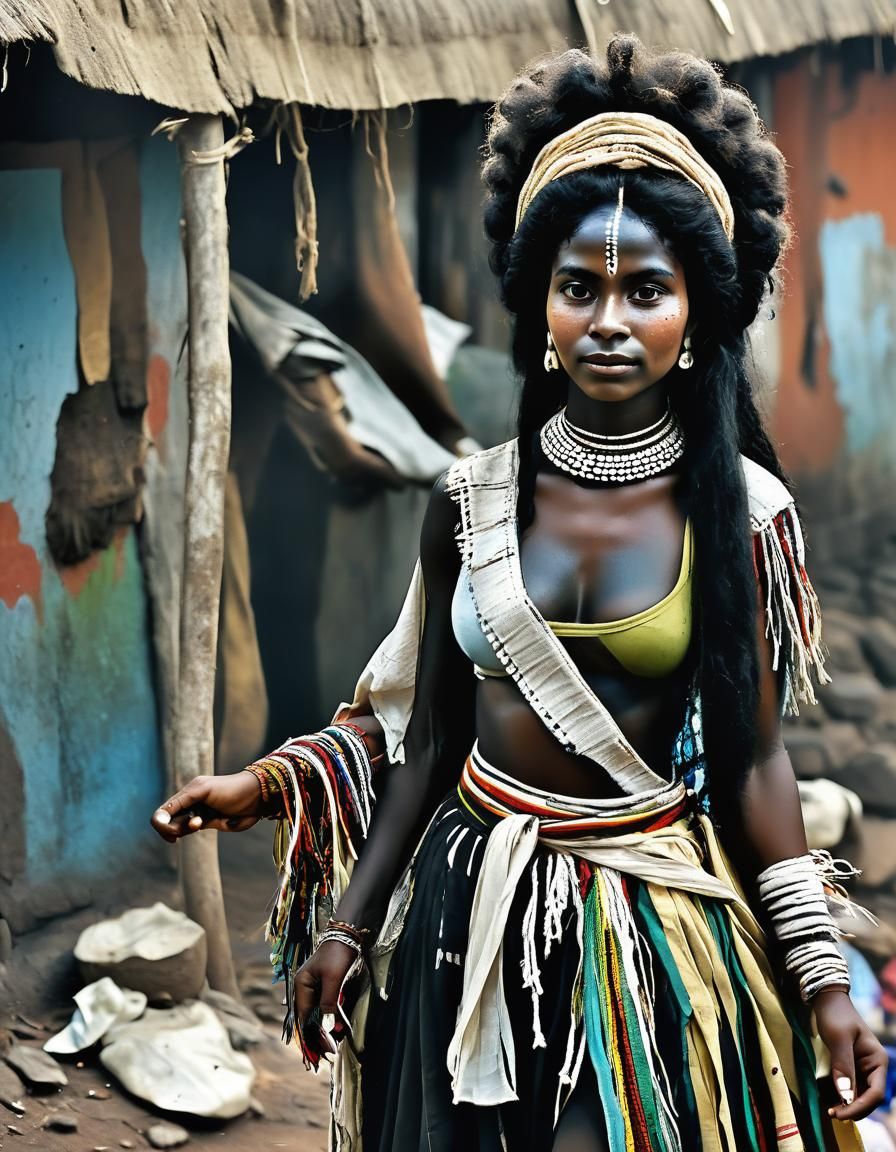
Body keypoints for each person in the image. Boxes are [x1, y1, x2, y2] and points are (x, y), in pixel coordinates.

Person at [152, 36, 888, 1152]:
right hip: (463, 915)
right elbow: (427, 732)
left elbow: (749, 758)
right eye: (576, 287)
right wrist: (341, 915)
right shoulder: (469, 503)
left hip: (646, 936)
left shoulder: (740, 514)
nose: (605, 320)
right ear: (537, 304)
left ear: (696, 316)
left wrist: (820, 973)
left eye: (644, 290)